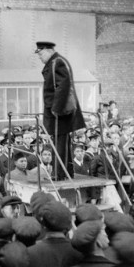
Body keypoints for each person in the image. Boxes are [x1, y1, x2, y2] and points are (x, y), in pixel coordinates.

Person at [35, 41, 86, 179]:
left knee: (60, 143)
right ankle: (65, 172)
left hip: (60, 112)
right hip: (58, 111)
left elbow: (63, 86)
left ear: (47, 51)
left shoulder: (57, 62)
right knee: (61, 142)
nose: (39, 57)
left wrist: (56, 109)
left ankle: (59, 174)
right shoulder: (55, 62)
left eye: (40, 54)